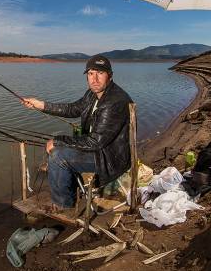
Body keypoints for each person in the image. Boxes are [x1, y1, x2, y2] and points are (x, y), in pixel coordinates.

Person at [23, 54, 132, 212]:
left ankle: (63, 205)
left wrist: (58, 141)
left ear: (110, 75)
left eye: (100, 73)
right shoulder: (92, 94)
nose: (94, 79)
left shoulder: (115, 101)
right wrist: (40, 105)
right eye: (90, 73)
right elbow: (73, 109)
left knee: (58, 156)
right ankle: (70, 192)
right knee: (56, 149)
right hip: (101, 149)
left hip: (110, 158)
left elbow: (95, 142)